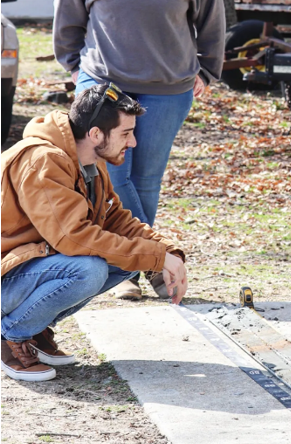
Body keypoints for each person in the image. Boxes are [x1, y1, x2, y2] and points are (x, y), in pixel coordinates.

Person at [53, 0, 226, 300]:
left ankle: (135, 266)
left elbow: (212, 21)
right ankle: (145, 263)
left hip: (168, 89)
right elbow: (67, 16)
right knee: (111, 172)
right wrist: (76, 69)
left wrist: (207, 72)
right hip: (106, 86)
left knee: (147, 178)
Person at [1, 85, 188, 382]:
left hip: (23, 270)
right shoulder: (43, 161)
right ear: (96, 134)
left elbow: (115, 219)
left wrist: (166, 252)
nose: (134, 142)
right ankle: (11, 334)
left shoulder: (88, 161)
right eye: (125, 133)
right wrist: (154, 257)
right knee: (89, 270)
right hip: (5, 278)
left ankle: (34, 330)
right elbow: (73, 237)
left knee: (126, 260)